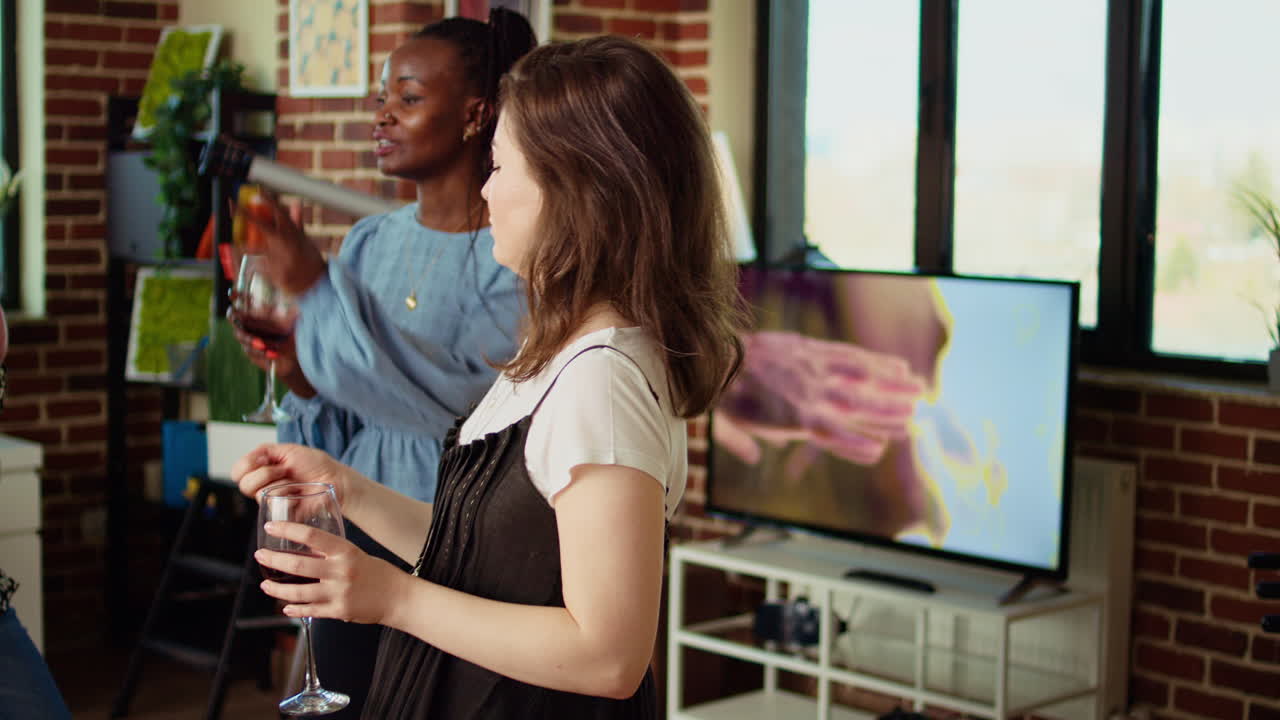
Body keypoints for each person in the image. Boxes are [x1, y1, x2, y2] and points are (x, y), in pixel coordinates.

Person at [233, 35, 746, 718]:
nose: (485, 189)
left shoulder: (605, 380)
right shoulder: (560, 349)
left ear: (576, 194)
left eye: (501, 166)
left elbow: (609, 656)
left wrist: (392, 596)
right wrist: (344, 487)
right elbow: (485, 554)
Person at [232, 10, 537, 716]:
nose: (383, 115)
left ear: (475, 114)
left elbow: (461, 402)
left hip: (449, 532)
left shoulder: (513, 256)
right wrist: (297, 370)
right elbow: (346, 401)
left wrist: (313, 288)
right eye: (380, 97)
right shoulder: (370, 241)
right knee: (337, 697)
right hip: (354, 520)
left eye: (406, 97)